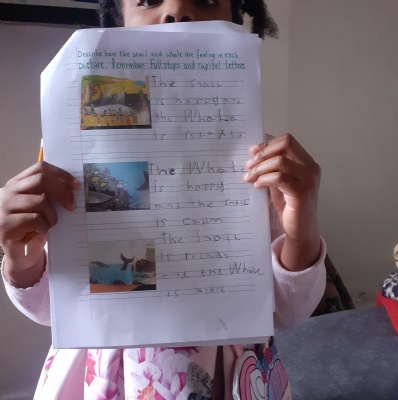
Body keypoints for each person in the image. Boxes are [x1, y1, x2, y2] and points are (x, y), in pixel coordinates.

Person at [0, 0, 326, 399]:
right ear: (118, 24)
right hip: (106, 374)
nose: (176, 11)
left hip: (226, 372)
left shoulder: (264, 164)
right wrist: (21, 255)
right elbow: (52, 308)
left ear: (235, 18)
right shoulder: (80, 151)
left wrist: (302, 232)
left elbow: (290, 312)